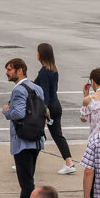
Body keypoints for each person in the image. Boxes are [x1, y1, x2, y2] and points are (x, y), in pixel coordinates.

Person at [3, 58, 45, 198]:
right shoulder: (37, 88)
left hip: (23, 141)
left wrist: (7, 111)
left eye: (9, 69)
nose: (7, 72)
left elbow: (19, 113)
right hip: (35, 140)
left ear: (20, 70)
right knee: (28, 180)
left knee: (27, 183)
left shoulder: (19, 90)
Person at [34, 43, 76, 174]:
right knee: (58, 136)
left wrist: (43, 111)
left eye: (37, 51)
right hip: (56, 105)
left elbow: (45, 93)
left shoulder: (44, 71)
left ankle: (25, 163)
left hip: (48, 108)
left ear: (41, 54)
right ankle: (69, 163)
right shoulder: (53, 69)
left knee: (34, 135)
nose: (36, 53)